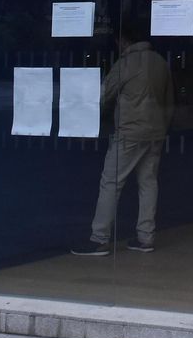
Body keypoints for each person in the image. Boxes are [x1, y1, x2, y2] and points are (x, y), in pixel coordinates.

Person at [72, 21, 173, 256]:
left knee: (111, 182)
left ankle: (99, 238)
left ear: (123, 40)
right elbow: (169, 100)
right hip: (156, 132)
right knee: (148, 183)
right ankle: (145, 237)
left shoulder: (125, 63)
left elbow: (103, 96)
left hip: (130, 132)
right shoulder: (160, 62)